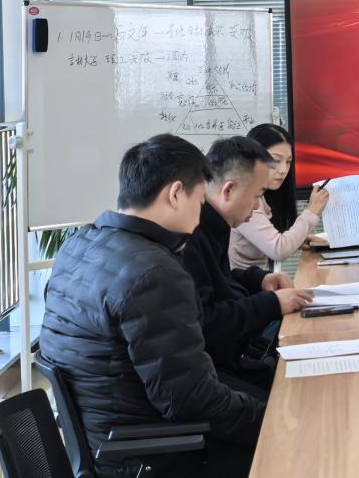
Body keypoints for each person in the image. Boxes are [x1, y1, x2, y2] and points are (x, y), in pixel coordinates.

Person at [39, 135, 267, 478]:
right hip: (154, 456)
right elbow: (191, 399)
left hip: (107, 441)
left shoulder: (79, 246)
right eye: (198, 200)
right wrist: (271, 420)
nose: (200, 215)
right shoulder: (153, 271)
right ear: (175, 194)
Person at [183, 136, 313, 386]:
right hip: (216, 373)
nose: (257, 208)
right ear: (228, 190)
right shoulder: (191, 236)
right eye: (257, 196)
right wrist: (271, 304)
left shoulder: (213, 224)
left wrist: (259, 279)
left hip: (233, 360)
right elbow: (207, 322)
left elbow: (220, 281)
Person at [230, 123, 329, 271]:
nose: (283, 170)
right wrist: (312, 211)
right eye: (276, 160)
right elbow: (278, 249)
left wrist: (297, 240)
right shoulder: (245, 198)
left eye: (288, 162)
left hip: (258, 281)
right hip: (241, 284)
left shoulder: (261, 195)